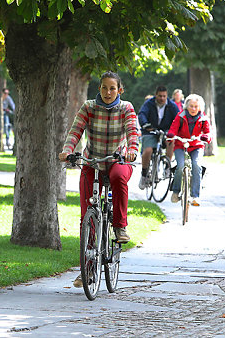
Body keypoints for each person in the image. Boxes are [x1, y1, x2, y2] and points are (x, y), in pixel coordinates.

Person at [59, 71, 139, 288]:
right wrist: (67, 150)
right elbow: (76, 130)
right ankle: (87, 270)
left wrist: (132, 150)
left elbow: (133, 132)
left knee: (117, 177)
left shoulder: (126, 108)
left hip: (118, 160)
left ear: (119, 90)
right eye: (104, 87)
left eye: (112, 88)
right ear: (99, 88)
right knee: (87, 216)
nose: (107, 92)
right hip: (92, 161)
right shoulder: (89, 107)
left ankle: (120, 225)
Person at [167, 94, 211, 206]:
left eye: (196, 106)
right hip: (180, 144)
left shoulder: (203, 118)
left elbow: (207, 131)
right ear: (187, 106)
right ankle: (176, 191)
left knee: (196, 165)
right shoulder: (180, 116)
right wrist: (171, 135)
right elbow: (173, 127)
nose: (193, 108)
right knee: (180, 166)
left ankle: (195, 196)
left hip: (196, 145)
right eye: (191, 106)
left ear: (200, 107)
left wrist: (206, 137)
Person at [137, 86, 180, 190]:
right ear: (156, 95)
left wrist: (176, 129)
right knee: (147, 151)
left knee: (170, 141)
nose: (162, 98)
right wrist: (145, 124)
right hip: (150, 130)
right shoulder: (149, 103)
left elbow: (178, 117)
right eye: (160, 96)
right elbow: (142, 114)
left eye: (164, 96)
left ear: (167, 96)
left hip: (166, 131)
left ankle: (167, 167)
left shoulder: (171, 105)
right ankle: (144, 175)